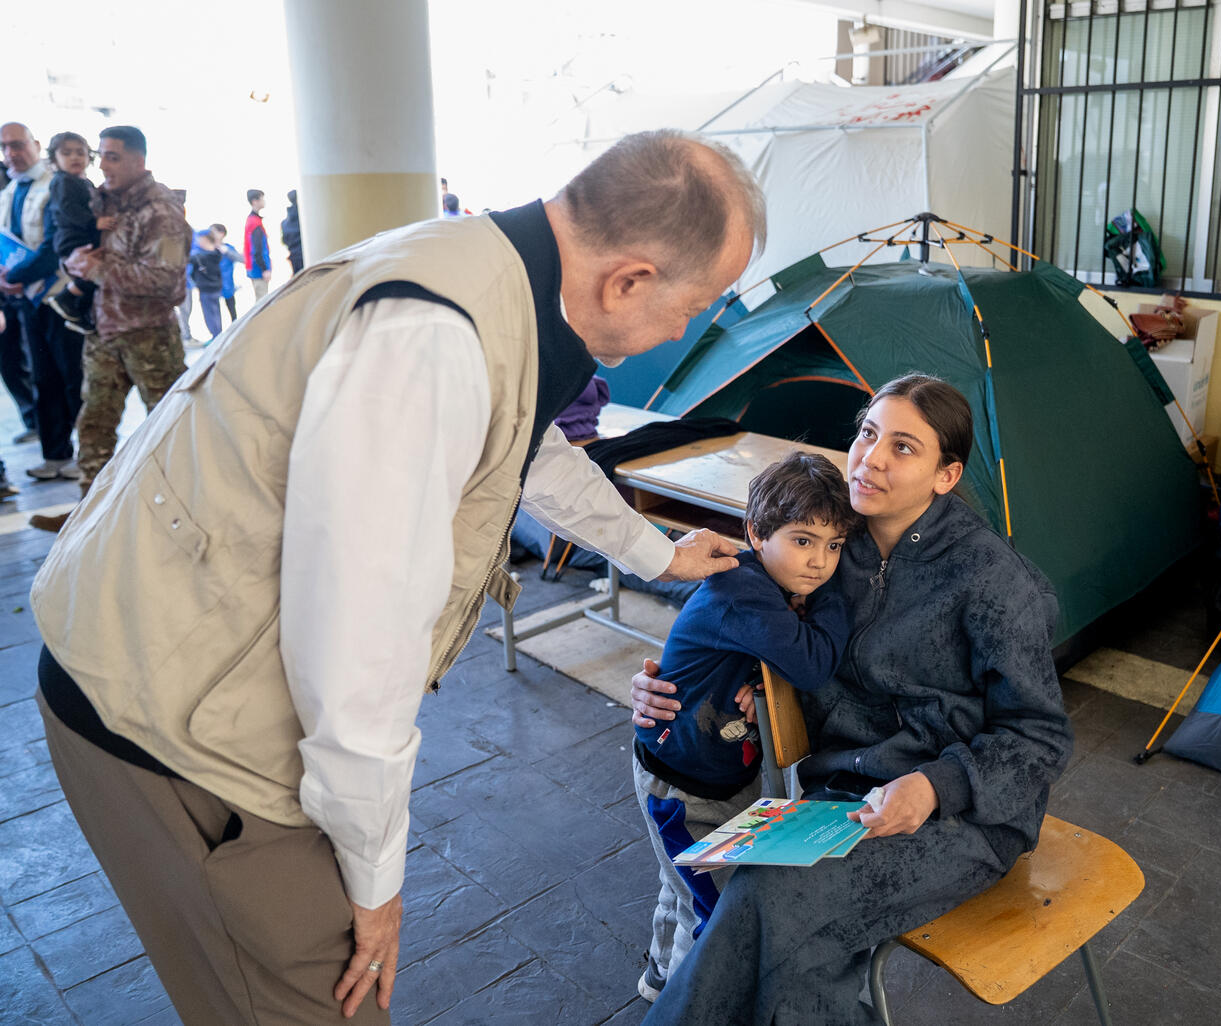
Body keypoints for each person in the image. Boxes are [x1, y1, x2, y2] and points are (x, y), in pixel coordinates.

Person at [32, 129, 765, 1025]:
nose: (685, 331)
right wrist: (375, 884)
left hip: (165, 644)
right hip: (170, 718)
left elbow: (531, 445)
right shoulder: (432, 339)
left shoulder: (489, 270)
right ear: (631, 279)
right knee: (324, 991)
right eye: (693, 308)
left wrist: (657, 553)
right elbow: (358, 651)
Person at [631, 374, 1074, 1023]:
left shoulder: (994, 584)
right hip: (843, 798)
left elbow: (1040, 737)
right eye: (868, 433)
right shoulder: (840, 538)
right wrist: (677, 678)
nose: (870, 458)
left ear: (946, 476)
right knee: (776, 920)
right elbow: (743, 590)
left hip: (961, 814)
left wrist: (936, 786)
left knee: (774, 908)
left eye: (903, 447)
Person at [633, 451, 858, 1003]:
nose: (820, 563)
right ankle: (687, 1006)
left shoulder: (767, 584)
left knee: (683, 884)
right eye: (803, 540)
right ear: (756, 533)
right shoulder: (744, 591)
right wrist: (837, 594)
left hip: (713, 771)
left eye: (835, 547)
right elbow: (811, 663)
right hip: (685, 786)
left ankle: (659, 979)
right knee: (713, 910)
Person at [29, 125, 190, 533]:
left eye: (114, 156)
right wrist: (74, 264)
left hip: (148, 336)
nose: (104, 165)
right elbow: (72, 248)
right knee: (94, 424)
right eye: (102, 156)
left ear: (139, 160)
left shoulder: (161, 209)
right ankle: (91, 516)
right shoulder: (97, 199)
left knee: (172, 426)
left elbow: (167, 281)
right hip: (103, 331)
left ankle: (188, 513)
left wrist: (101, 270)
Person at [0, 122, 87, 483]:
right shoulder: (8, 191)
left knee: (73, 378)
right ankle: (54, 454)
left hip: (59, 296)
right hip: (27, 302)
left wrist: (15, 278)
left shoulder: (56, 184)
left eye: (18, 145)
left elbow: (55, 246)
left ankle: (86, 454)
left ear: (36, 145)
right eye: (5, 147)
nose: (11, 153)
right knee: (43, 378)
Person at [42, 131, 110, 334]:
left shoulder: (83, 182)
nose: (75, 157)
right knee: (94, 273)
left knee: (95, 275)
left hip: (82, 235)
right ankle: (66, 298)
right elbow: (68, 209)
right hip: (73, 238)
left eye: (80, 153)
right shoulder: (62, 181)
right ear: (55, 158)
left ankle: (78, 313)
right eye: (67, 153)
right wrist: (94, 222)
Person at [0, 122, 41, 449]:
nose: (10, 152)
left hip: (31, 284)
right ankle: (32, 418)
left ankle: (49, 423)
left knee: (38, 358)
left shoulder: (21, 179)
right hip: (4, 287)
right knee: (9, 359)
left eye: (17, 144)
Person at [186, 227, 224, 338]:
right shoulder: (217, 253)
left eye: (199, 239)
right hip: (216, 288)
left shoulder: (199, 257)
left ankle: (216, 338)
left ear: (205, 239)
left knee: (210, 315)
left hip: (206, 290)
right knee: (216, 313)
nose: (197, 242)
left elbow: (186, 259)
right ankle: (218, 336)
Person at [209, 221, 243, 321]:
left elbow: (242, 259)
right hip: (213, 286)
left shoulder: (228, 248)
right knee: (214, 313)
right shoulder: (208, 249)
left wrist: (226, 251)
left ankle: (235, 327)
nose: (211, 234)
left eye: (213, 232)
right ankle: (217, 334)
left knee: (232, 309)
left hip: (228, 285)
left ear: (222, 234)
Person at [243, 187, 271, 299]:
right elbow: (257, 249)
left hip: (255, 268)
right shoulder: (254, 223)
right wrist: (264, 269)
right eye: (262, 199)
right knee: (262, 301)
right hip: (258, 270)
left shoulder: (253, 220)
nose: (264, 201)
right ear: (255, 201)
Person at [281, 188, 302, 273]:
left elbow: (284, 240)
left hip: (293, 258)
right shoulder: (304, 221)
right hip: (303, 257)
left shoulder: (284, 223)